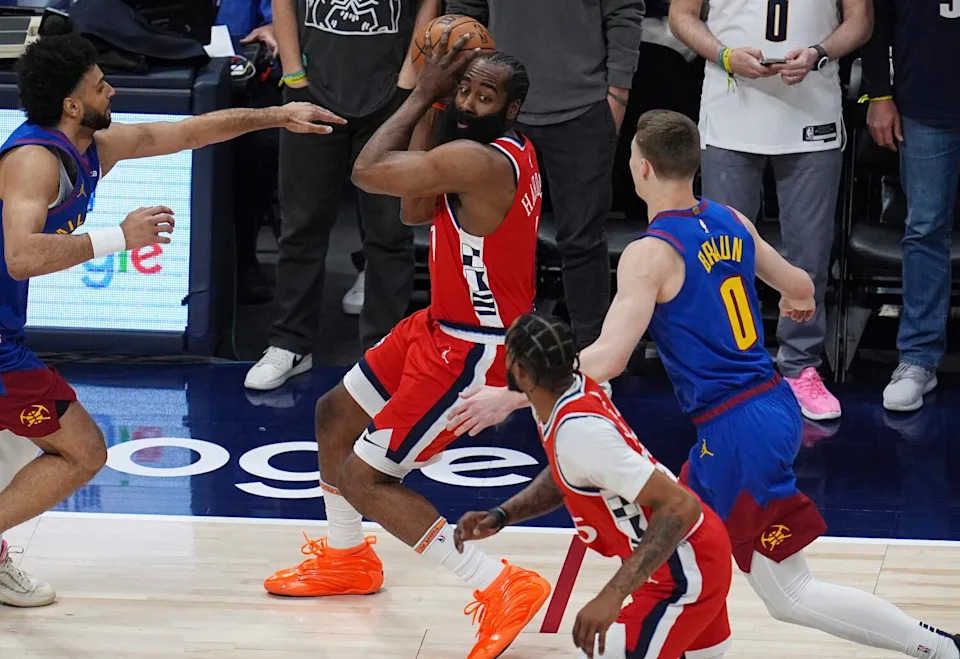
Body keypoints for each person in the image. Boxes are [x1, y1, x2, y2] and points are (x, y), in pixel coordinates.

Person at [448, 110, 960, 658]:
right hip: (770, 404)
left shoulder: (649, 254)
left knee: (789, 593)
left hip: (737, 426)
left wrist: (517, 394)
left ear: (642, 169)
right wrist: (797, 301)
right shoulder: (730, 219)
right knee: (690, 549)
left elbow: (610, 358)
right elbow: (800, 285)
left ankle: (937, 647)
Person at [0, 33, 342, 607]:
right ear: (72, 105)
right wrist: (118, 238)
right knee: (82, 452)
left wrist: (279, 115)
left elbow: (188, 132)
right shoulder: (35, 161)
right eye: (99, 84)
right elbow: (21, 255)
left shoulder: (91, 146)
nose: (112, 89)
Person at [263, 30, 549, 659]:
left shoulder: (477, 160)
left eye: (483, 97)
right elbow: (415, 211)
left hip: (475, 349)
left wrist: (420, 93)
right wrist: (433, 109)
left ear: (511, 109)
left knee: (365, 479)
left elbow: (366, 172)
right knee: (334, 414)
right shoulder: (481, 151)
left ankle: (498, 582)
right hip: (437, 325)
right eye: (464, 91)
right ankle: (346, 558)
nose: (468, 104)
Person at [456, 312, 733, 659]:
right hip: (689, 553)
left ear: (521, 373)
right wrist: (503, 515)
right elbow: (568, 472)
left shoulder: (580, 433)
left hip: (682, 570)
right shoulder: (568, 393)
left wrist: (612, 595)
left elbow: (681, 506)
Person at [667, 0, 873, 421]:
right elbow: (681, 16)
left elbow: (861, 20)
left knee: (809, 253)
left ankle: (800, 366)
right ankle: (731, 370)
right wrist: (725, 55)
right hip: (731, 112)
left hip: (811, 112)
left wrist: (819, 53)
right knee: (722, 255)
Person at [243, 0, 442, 390]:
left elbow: (429, 3)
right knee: (302, 225)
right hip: (312, 90)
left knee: (390, 232)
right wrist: (293, 74)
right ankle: (290, 343)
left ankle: (384, 352)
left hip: (389, 92)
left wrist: (409, 75)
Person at [444, 0, 643, 351]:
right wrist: (467, 86)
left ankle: (592, 360)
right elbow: (464, 10)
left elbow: (624, 9)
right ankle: (493, 349)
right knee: (490, 239)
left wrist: (618, 92)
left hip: (582, 107)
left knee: (582, 242)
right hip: (499, 109)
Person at [861, 0, 960, 412]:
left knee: (926, 230)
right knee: (925, 230)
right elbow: (876, 24)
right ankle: (918, 359)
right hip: (924, 104)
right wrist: (879, 94)